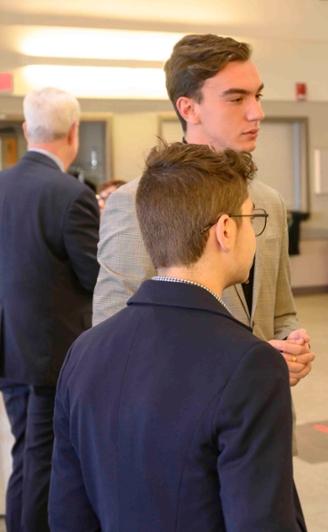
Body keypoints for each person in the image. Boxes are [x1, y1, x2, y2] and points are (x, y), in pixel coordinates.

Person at [49, 142, 305, 531]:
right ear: (225, 231)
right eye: (251, 220)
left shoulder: (84, 351)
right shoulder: (249, 364)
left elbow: (68, 513)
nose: (253, 234)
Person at [92, 35, 314, 453]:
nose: (257, 112)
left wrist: (291, 344)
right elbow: (110, 338)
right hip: (178, 436)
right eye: (236, 98)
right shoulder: (134, 203)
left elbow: (280, 310)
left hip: (262, 428)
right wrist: (235, 364)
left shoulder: (266, 202)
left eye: (258, 96)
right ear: (188, 107)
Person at [0, 87, 99, 532]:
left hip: (9, 347)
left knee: (26, 452)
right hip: (50, 354)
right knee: (43, 459)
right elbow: (95, 278)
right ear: (73, 132)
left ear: (26, 131)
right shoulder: (70, 194)